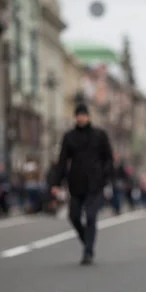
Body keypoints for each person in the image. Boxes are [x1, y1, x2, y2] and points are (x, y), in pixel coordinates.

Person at [50, 103, 114, 265]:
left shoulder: (100, 135)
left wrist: (105, 177)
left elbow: (108, 159)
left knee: (91, 216)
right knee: (74, 216)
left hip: (95, 183)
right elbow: (63, 161)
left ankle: (88, 252)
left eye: (83, 114)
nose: (81, 117)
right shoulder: (69, 137)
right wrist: (56, 182)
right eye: (78, 115)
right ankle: (87, 241)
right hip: (76, 183)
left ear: (88, 116)